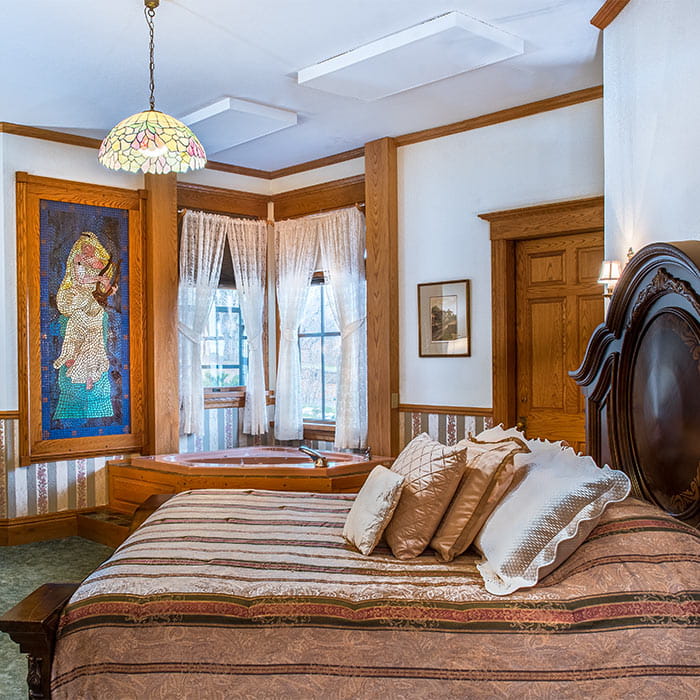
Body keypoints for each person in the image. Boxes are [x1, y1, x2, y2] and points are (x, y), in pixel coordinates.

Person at [52, 232, 117, 420]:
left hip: (94, 303)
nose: (86, 249)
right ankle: (72, 358)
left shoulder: (98, 262)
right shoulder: (78, 261)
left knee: (95, 336)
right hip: (79, 299)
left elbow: (105, 286)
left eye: (89, 246)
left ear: (94, 247)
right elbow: (80, 280)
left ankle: (91, 374)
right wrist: (99, 279)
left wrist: (108, 287)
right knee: (78, 324)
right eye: (83, 246)